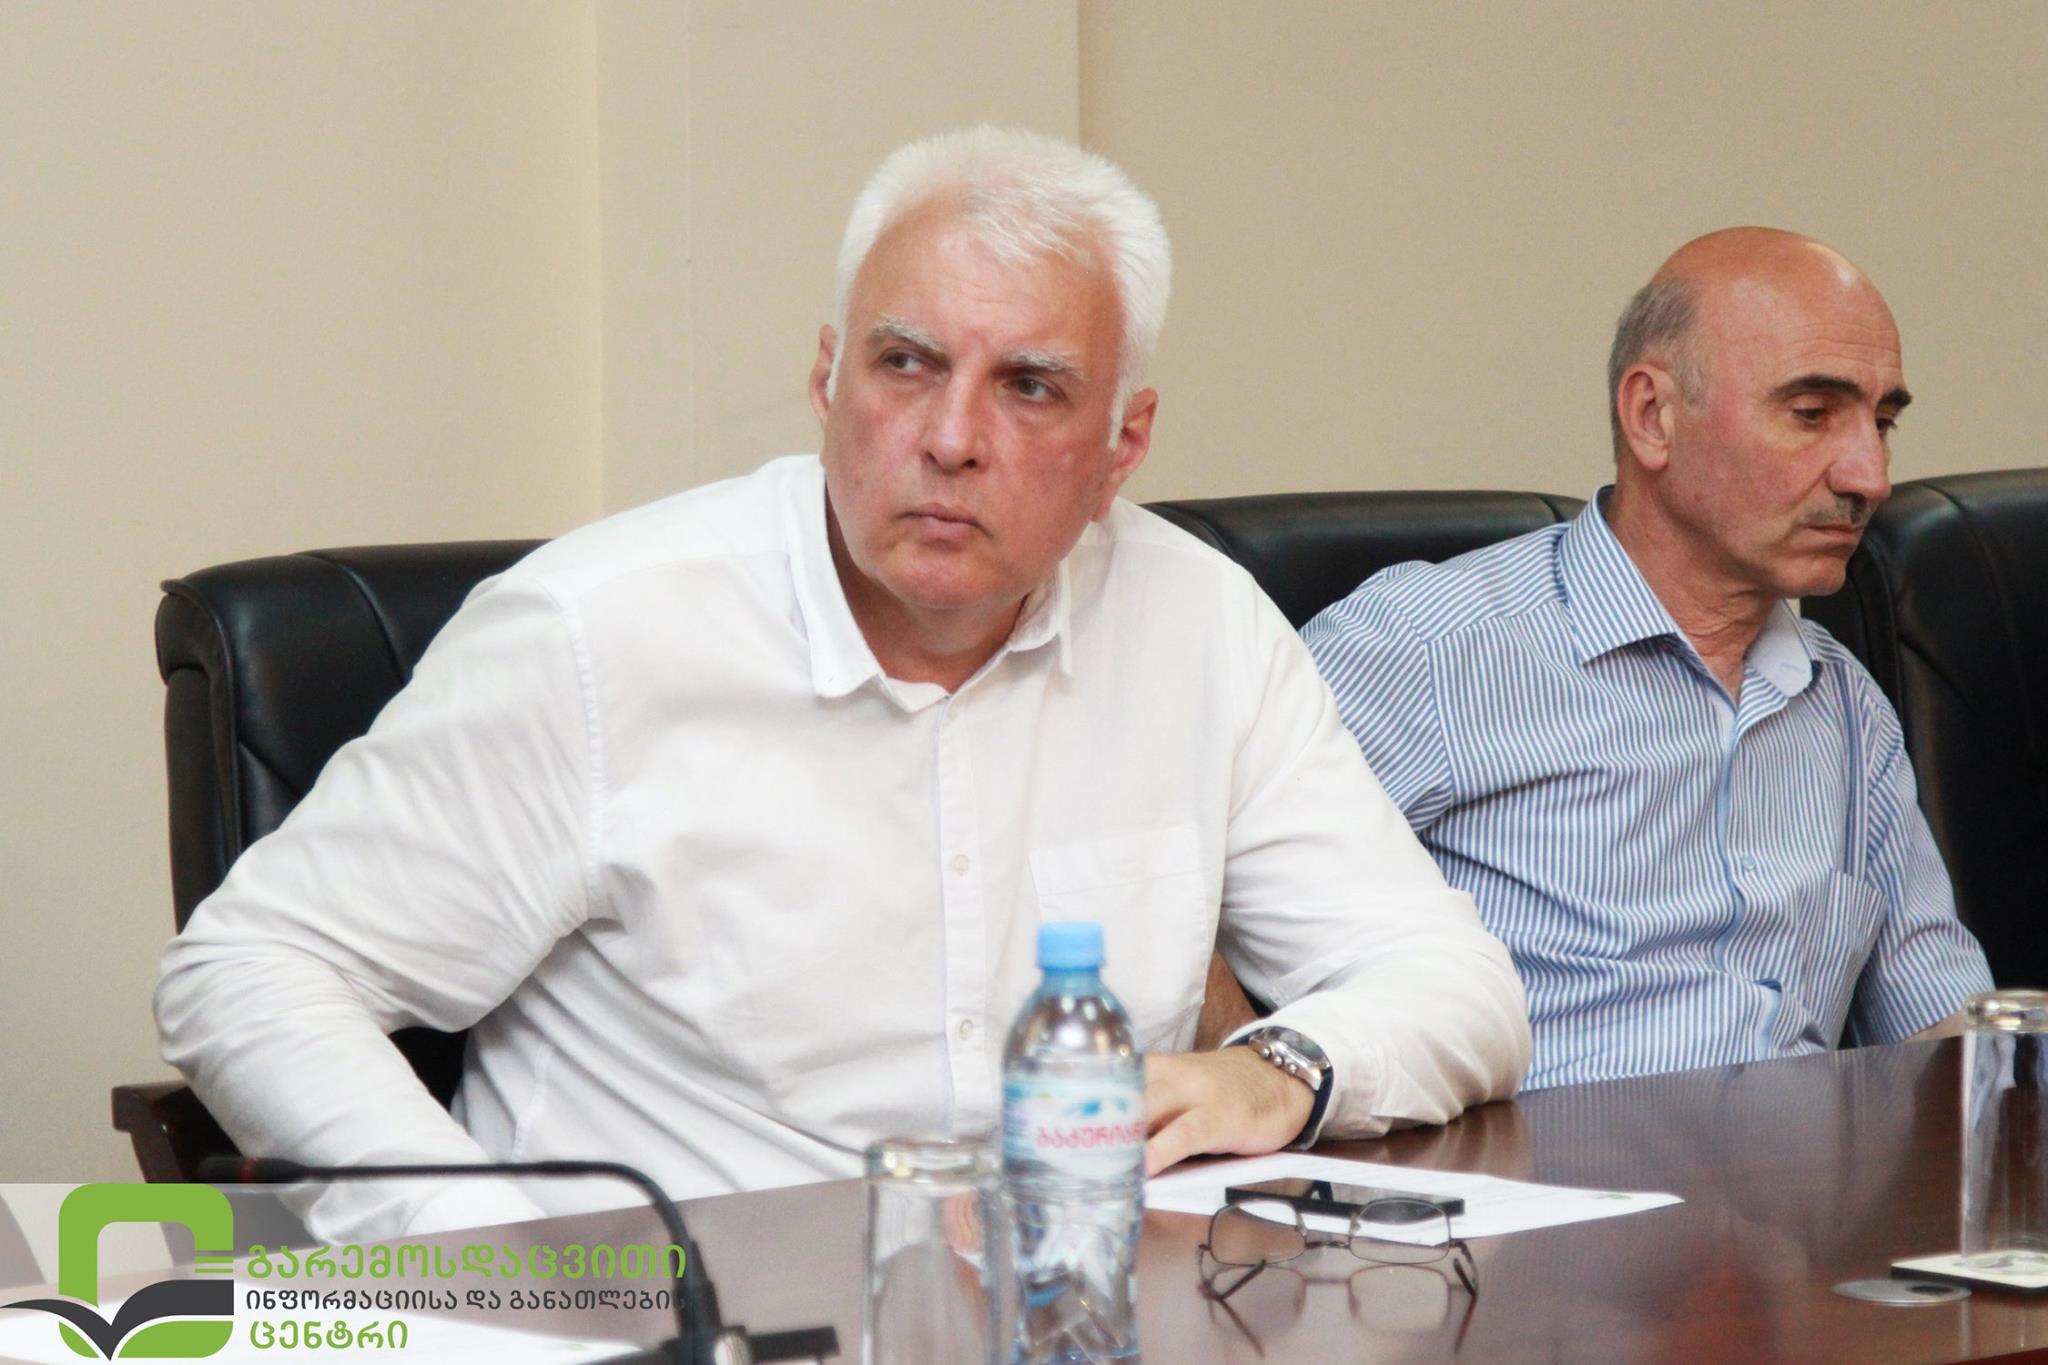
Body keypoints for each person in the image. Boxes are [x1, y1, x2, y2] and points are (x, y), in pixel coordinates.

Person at [156, 127, 1529, 1240]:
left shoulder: (1198, 623)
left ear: (1124, 445)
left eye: (1031, 387)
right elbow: (254, 970)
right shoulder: (595, 634)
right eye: (906, 363)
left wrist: (1275, 1072)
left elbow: (1452, 982)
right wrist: (487, 1255)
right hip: (678, 1321)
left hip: (1075, 1310)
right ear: (828, 378)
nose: (950, 438)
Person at [1302, 227, 1991, 1091]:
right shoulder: (1422, 649)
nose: (1870, 477)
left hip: (1808, 1172)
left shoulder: (1845, 703)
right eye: (1812, 414)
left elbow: (1946, 1034)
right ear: (1653, 417)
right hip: (1539, 1168)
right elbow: (1205, 932)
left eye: (1882, 424)